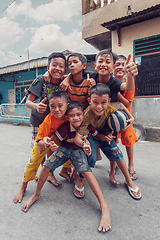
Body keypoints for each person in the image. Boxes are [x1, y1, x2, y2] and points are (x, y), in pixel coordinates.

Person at [21, 101, 111, 233]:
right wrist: (50, 144)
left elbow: (98, 135)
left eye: (79, 114)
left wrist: (106, 137)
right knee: (46, 167)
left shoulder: (88, 127)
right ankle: (36, 194)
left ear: (83, 115)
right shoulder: (64, 127)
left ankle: (104, 206)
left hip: (78, 152)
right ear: (67, 117)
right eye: (72, 115)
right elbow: (54, 141)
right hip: (63, 149)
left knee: (87, 172)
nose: (76, 118)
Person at [13, 52, 70, 204]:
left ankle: (48, 173)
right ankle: (24, 185)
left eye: (61, 66)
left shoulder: (64, 82)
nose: (58, 68)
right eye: (54, 65)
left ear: (65, 70)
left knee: (51, 149)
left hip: (55, 122)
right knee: (39, 150)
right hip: (39, 121)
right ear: (48, 66)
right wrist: (37, 106)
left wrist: (69, 77)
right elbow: (28, 102)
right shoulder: (40, 80)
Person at [74, 84, 142, 200]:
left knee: (117, 153)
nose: (99, 106)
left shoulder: (110, 107)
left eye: (103, 102)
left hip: (106, 136)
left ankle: (128, 181)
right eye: (95, 102)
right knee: (89, 156)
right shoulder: (86, 115)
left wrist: (131, 117)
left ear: (108, 101)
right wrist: (83, 144)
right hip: (91, 138)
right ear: (89, 101)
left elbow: (120, 105)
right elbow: (77, 138)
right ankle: (80, 179)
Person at [112, 55, 138, 180]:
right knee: (113, 142)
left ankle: (131, 165)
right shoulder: (110, 81)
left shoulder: (129, 82)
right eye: (117, 64)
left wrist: (116, 92)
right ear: (113, 67)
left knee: (128, 140)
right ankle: (115, 164)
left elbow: (127, 103)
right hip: (112, 118)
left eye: (123, 64)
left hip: (126, 118)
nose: (120, 67)